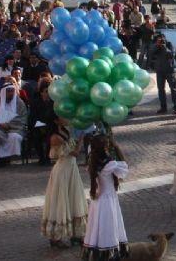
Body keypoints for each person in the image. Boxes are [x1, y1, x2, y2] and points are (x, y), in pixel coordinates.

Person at [41, 112, 87, 249]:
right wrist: (81, 139)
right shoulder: (56, 137)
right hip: (63, 172)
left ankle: (76, 234)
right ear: (56, 121)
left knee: (74, 199)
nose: (67, 119)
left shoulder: (66, 131)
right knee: (60, 201)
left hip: (71, 169)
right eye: (63, 117)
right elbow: (75, 152)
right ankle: (56, 237)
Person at [82, 134, 129, 261]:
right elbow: (124, 168)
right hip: (108, 199)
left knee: (97, 226)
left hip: (97, 200)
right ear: (105, 148)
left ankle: (97, 252)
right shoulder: (109, 164)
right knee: (108, 226)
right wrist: (118, 148)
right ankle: (108, 254)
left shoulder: (93, 161)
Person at [0, 84, 27, 165]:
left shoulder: (19, 103)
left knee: (14, 137)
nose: (11, 93)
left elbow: (23, 118)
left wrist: (9, 125)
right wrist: (0, 124)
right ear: (3, 92)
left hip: (15, 128)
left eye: (12, 91)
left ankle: (8, 158)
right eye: (8, 91)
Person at [150, 35, 176, 114]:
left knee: (173, 89)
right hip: (160, 71)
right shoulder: (155, 46)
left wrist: (164, 47)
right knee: (161, 90)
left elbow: (172, 55)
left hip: (169, 70)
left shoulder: (169, 45)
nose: (161, 41)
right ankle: (163, 107)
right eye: (159, 40)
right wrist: (157, 46)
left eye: (162, 39)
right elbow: (150, 54)